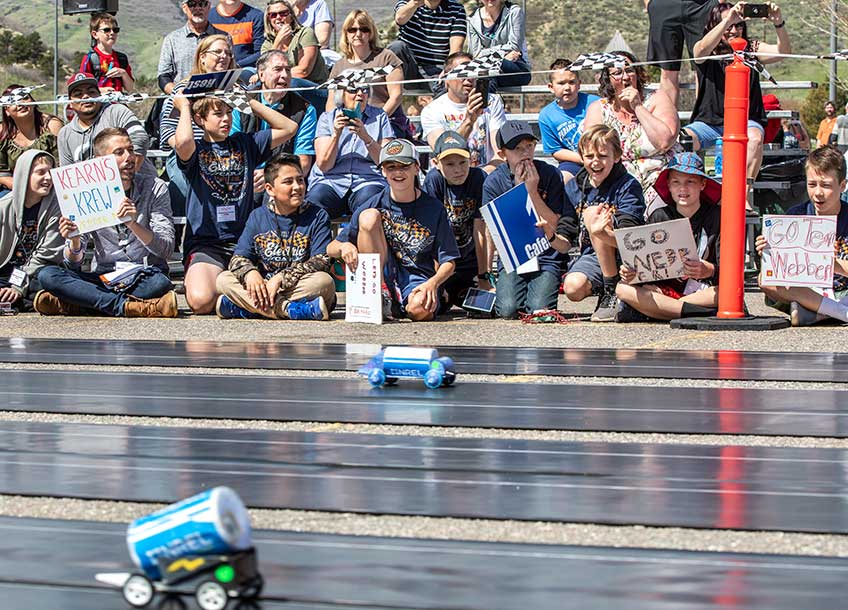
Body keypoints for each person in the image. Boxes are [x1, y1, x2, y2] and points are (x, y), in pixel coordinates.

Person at [172, 92, 298, 314]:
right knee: (200, 302)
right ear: (200, 119)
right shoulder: (196, 149)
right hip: (207, 243)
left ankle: (233, 301)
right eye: (218, 114)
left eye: (229, 113)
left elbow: (288, 127)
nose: (226, 119)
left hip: (244, 241)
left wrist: (248, 101)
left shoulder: (244, 143)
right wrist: (184, 107)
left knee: (273, 288)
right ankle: (230, 293)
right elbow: (182, 142)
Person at [35, 128, 177, 318]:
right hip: (104, 276)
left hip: (144, 275)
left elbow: (166, 249)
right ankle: (126, 306)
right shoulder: (82, 191)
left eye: (131, 150)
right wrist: (75, 240)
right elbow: (73, 264)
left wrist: (133, 224)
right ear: (99, 161)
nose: (130, 157)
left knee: (160, 283)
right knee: (48, 275)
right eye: (119, 152)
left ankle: (81, 303)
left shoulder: (155, 187)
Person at [327, 139, 460, 321]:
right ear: (383, 171)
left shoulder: (434, 208)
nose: (398, 172)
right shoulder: (374, 202)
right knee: (368, 216)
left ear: (416, 168)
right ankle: (379, 298)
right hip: (381, 278)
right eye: (391, 167)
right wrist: (344, 248)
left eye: (404, 166)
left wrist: (433, 283)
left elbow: (449, 262)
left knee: (420, 309)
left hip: (418, 279)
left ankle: (403, 305)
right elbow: (331, 247)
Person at [683, 1, 790, 210]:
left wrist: (779, 23)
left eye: (738, 25)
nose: (734, 29)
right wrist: (727, 20)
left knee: (755, 140)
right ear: (715, 24)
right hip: (709, 122)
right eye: (729, 25)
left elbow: (782, 51)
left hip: (746, 120)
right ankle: (693, 195)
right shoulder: (707, 47)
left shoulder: (751, 48)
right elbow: (699, 52)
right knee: (684, 141)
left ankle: (742, 195)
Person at [216, 153, 335, 320]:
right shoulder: (257, 216)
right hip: (264, 287)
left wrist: (282, 278)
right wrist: (250, 273)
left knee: (324, 282)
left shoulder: (317, 215)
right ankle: (290, 310)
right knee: (223, 279)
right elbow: (238, 258)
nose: (297, 187)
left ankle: (249, 309)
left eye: (300, 180)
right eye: (288, 182)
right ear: (270, 189)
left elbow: (321, 261)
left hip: (295, 286)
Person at [615, 152, 722, 322]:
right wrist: (631, 272)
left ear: (703, 184)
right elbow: (645, 262)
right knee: (622, 288)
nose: (683, 189)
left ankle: (665, 309)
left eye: (690, 182)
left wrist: (709, 270)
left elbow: (730, 272)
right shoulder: (659, 216)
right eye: (676, 182)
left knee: (727, 293)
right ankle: (697, 313)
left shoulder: (717, 216)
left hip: (704, 291)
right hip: (664, 289)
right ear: (669, 186)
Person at [484, 121, 575, 319]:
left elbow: (554, 222)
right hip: (514, 258)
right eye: (517, 149)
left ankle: (536, 293)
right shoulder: (494, 182)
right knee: (508, 309)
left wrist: (532, 192)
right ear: (502, 154)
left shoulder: (550, 174)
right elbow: (494, 229)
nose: (525, 153)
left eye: (529, 146)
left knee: (538, 309)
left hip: (546, 256)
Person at [159, 35, 238, 247]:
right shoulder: (183, 88)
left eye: (228, 53)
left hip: (229, 155)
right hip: (189, 155)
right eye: (218, 52)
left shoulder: (235, 89)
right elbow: (166, 128)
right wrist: (187, 151)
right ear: (202, 58)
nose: (224, 57)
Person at [562, 124, 645, 322]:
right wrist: (548, 233)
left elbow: (629, 237)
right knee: (572, 288)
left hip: (625, 254)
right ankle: (607, 286)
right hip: (592, 254)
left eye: (602, 156)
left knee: (593, 214)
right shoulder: (574, 186)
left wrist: (600, 233)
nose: (595, 162)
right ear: (581, 157)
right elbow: (566, 229)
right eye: (589, 156)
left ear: (616, 157)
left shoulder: (628, 185)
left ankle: (611, 290)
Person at [757, 145, 848, 326]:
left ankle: (818, 312)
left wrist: (833, 264)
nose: (818, 193)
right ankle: (837, 313)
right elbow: (776, 272)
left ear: (843, 186)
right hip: (806, 288)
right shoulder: (795, 216)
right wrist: (770, 252)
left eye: (826, 185)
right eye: (812, 184)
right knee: (764, 279)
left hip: (843, 291)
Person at [585, 51, 679, 215]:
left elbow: (664, 142)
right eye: (617, 73)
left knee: (659, 213)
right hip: (618, 181)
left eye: (629, 70)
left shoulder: (657, 98)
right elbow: (591, 152)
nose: (626, 77)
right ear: (607, 79)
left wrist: (638, 107)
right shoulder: (598, 109)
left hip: (659, 178)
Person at [305, 85, 394, 219]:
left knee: (370, 202)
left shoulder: (380, 117)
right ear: (342, 95)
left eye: (364, 90)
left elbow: (386, 163)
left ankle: (357, 239)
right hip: (331, 180)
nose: (360, 94)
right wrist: (336, 134)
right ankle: (320, 240)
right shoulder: (327, 118)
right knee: (315, 200)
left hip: (368, 179)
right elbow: (324, 165)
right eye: (353, 90)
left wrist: (366, 137)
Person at [423, 131, 490, 304]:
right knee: (433, 305)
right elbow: (433, 234)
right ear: (436, 163)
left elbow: (480, 230)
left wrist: (483, 276)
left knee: (485, 306)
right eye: (450, 164)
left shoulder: (478, 178)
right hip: (443, 260)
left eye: (462, 162)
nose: (458, 169)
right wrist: (438, 281)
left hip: (470, 259)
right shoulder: (434, 180)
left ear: (471, 160)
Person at [232, 50, 317, 181]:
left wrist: (270, 176)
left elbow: (304, 163)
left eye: (288, 70)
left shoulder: (304, 110)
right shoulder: (242, 103)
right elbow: (232, 150)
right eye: (278, 69)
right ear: (261, 75)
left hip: (281, 180)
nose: (284, 75)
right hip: (245, 176)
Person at [327, 10, 412, 140]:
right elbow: (331, 103)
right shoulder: (339, 66)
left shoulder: (387, 58)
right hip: (348, 125)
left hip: (387, 123)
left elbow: (396, 96)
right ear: (346, 34)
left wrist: (375, 122)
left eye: (364, 29)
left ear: (371, 33)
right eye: (352, 30)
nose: (358, 34)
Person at [420, 52, 507, 170]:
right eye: (462, 73)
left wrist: (482, 176)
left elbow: (500, 153)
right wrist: (469, 121)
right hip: (451, 176)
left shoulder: (492, 102)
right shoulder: (432, 110)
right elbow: (443, 152)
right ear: (446, 79)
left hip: (486, 173)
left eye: (472, 72)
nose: (468, 78)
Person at [0, 150, 64, 312]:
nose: (48, 178)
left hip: (34, 273)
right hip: (4, 273)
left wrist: (18, 286)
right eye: (41, 172)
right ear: (24, 175)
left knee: (49, 279)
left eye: (51, 172)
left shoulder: (56, 207)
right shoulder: (3, 207)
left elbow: (47, 254)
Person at [57, 73, 151, 170]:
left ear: (100, 96)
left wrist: (128, 176)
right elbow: (67, 171)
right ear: (70, 104)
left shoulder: (117, 111)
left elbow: (140, 137)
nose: (85, 97)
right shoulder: (64, 134)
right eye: (78, 94)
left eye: (91, 92)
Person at [645, 0, 718, 107]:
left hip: (702, 5)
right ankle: (668, 121)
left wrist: (717, 2)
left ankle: (704, 119)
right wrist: (650, 3)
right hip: (664, 6)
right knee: (667, 70)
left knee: (704, 69)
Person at [539, 59, 600, 183]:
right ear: (551, 87)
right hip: (573, 161)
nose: (567, 88)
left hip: (601, 155)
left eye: (572, 82)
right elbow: (556, 150)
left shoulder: (595, 102)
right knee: (562, 179)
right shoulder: (546, 115)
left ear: (579, 84)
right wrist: (584, 159)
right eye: (561, 83)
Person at [261, 0, 329, 109]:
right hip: (286, 87)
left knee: (292, 83)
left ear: (291, 16)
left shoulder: (305, 33)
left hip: (314, 89)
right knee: (254, 85)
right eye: (273, 15)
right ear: (269, 20)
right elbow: (263, 71)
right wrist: (278, 43)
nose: (278, 17)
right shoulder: (268, 44)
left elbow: (303, 71)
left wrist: (274, 75)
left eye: (283, 13)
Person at [388, 0, 467, 93]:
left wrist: (448, 70)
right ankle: (394, 91)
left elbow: (456, 48)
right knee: (396, 47)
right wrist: (415, 4)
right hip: (409, 67)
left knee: (446, 89)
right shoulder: (407, 3)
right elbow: (400, 19)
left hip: (438, 69)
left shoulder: (457, 9)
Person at [0, 85, 63, 196]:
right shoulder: (2, 132)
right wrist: (25, 186)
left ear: (33, 102)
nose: (20, 104)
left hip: (51, 186)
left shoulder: (52, 125)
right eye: (12, 101)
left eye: (24, 97)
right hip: (16, 189)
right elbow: (2, 174)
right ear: (7, 111)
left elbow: (61, 165)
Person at [157, 0, 224, 94]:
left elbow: (232, 69)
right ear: (184, 8)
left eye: (202, 3)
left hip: (216, 99)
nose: (198, 8)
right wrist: (178, 94)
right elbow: (163, 76)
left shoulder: (224, 38)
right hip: (181, 98)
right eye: (192, 4)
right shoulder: (172, 39)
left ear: (208, 6)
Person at [467, 0, 531, 89]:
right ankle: (491, 102)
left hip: (516, 69)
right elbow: (475, 53)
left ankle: (488, 102)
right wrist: (501, 56)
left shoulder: (514, 12)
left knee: (486, 76)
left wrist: (486, 54)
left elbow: (515, 46)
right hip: (488, 69)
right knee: (485, 76)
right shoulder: (472, 19)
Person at [79, 12, 134, 93]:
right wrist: (101, 90)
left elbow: (130, 88)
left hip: (118, 102)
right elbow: (82, 86)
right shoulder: (90, 58)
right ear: (95, 34)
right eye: (106, 30)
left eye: (115, 30)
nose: (112, 33)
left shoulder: (121, 58)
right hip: (98, 104)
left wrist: (123, 73)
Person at [208, 0, 264, 68]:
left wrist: (236, 66)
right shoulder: (208, 17)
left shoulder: (256, 16)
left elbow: (261, 52)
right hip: (215, 68)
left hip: (245, 69)